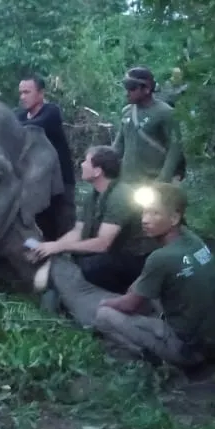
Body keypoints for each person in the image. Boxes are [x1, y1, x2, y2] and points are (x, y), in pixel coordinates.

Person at [95, 182, 215, 368]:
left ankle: (149, 358)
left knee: (104, 316)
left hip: (186, 350)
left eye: (154, 213)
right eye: (144, 212)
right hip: (214, 340)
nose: (145, 220)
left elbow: (129, 305)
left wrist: (106, 302)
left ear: (174, 218)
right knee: (141, 287)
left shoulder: (161, 258)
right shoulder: (193, 240)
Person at [29, 145, 159, 294]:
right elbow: (78, 231)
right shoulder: (93, 196)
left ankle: (127, 293)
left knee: (91, 267)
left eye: (86, 161)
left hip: (137, 259)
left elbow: (102, 244)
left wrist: (58, 247)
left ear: (98, 171)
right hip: (115, 253)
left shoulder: (120, 196)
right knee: (77, 256)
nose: (82, 164)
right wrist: (51, 247)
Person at [16, 75, 77, 240]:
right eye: (21, 93)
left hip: (61, 182)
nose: (22, 97)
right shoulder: (20, 116)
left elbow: (36, 126)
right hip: (35, 183)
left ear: (41, 93)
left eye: (27, 92)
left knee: (63, 225)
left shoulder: (51, 112)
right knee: (40, 226)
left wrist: (9, 126)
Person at [111, 67, 185, 184]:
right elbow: (118, 146)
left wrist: (164, 178)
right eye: (126, 87)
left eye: (132, 88)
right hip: (127, 181)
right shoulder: (127, 112)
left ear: (146, 89)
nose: (127, 92)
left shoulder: (165, 112)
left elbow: (175, 148)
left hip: (153, 181)